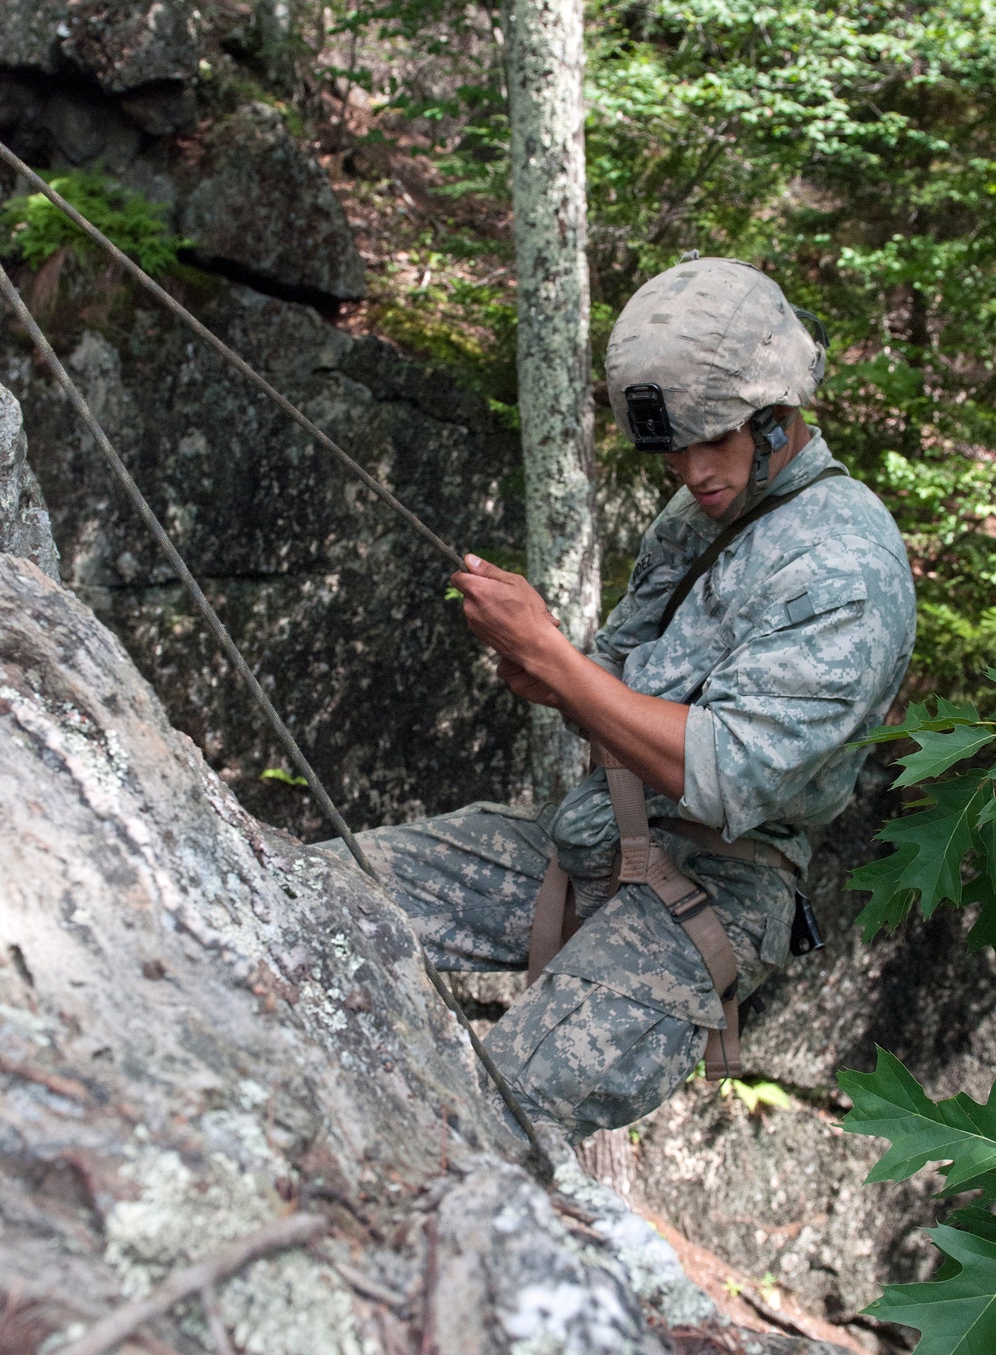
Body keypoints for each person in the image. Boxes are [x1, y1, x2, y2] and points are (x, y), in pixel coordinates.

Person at [327, 256, 916, 1144]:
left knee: (488, 1121)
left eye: (710, 439)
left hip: (717, 889)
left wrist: (559, 663)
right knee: (318, 889)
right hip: (603, 835)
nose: (689, 469)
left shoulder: (845, 568)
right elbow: (615, 688)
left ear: (777, 414)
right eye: (671, 447)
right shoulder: (699, 520)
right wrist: (549, 675)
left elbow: (721, 770)